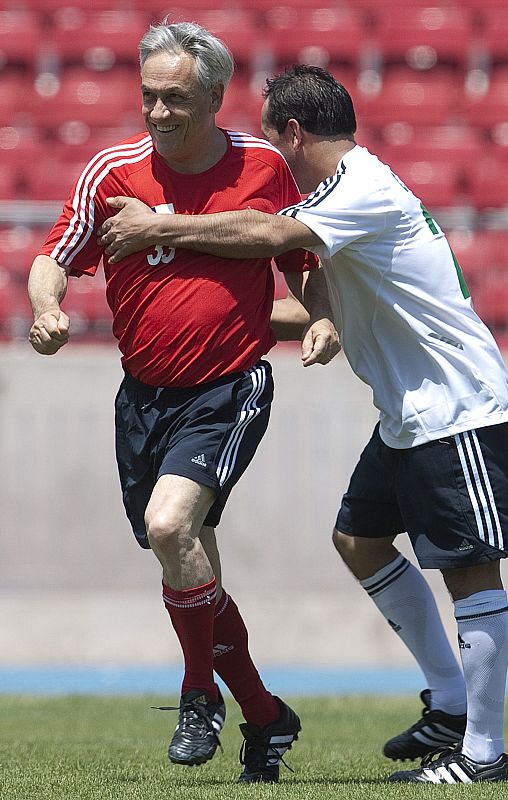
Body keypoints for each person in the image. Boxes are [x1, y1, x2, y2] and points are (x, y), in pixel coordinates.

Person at [97, 64, 508, 785]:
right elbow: (296, 304)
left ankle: (481, 752)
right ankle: (449, 703)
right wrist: (188, 314)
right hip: (405, 412)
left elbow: (268, 233)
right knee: (358, 540)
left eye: (274, 143)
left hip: (456, 406)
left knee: (469, 572)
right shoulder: (344, 194)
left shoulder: (357, 187)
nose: (273, 163)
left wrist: (159, 228)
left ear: (293, 133)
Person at [27, 30, 340, 784]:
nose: (158, 110)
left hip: (229, 387)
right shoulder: (112, 171)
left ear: (211, 96)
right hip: (142, 399)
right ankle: (265, 717)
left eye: (174, 96)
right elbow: (53, 256)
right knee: (183, 560)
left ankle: (198, 693)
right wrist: (47, 310)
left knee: (172, 526)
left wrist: (321, 315)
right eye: (148, 95)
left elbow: (302, 257)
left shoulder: (260, 165)